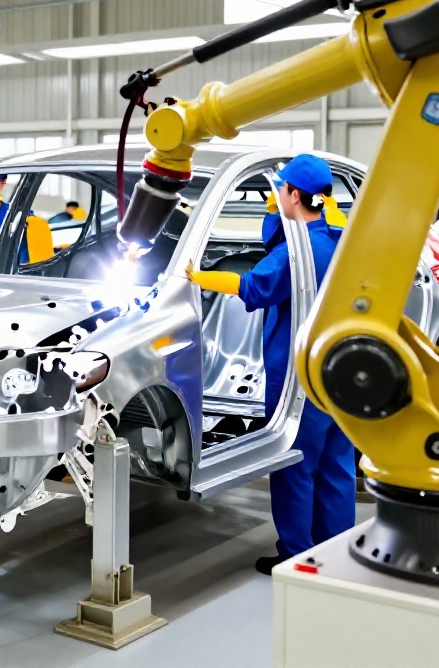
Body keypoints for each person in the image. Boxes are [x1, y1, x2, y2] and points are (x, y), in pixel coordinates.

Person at [187, 155, 347, 574]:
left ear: (293, 194)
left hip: (297, 376)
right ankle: (336, 547)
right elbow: (278, 239)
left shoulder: (295, 254)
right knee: (336, 464)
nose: (275, 199)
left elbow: (255, 288)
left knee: (295, 463)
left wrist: (196, 276)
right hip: (340, 369)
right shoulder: (339, 238)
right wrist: (281, 208)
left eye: (279, 192)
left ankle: (297, 554)